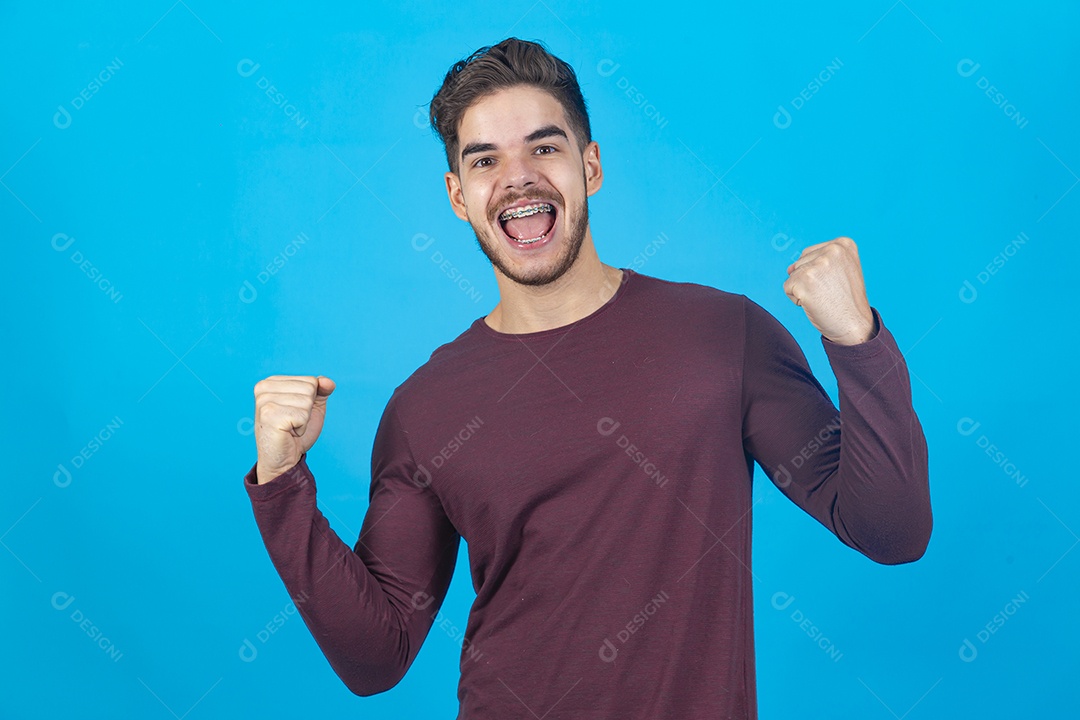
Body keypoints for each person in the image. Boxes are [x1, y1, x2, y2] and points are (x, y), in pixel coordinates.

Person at [243, 37, 932, 719]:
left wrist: (857, 340)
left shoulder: (726, 335)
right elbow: (376, 658)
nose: (517, 177)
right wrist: (282, 489)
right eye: (486, 160)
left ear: (591, 166)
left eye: (544, 147)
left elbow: (891, 531)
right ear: (458, 194)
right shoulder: (425, 408)